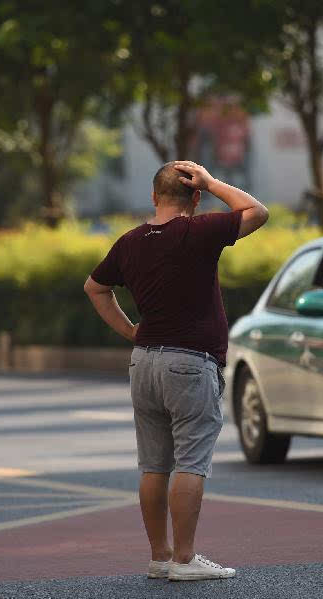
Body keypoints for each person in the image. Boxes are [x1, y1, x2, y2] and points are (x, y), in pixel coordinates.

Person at [84, 161, 268, 581]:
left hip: (144, 362)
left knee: (153, 466)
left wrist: (131, 331)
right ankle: (184, 559)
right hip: (189, 362)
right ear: (196, 196)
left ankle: (159, 555)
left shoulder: (130, 242)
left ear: (153, 196)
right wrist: (213, 180)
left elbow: (94, 287)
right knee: (189, 463)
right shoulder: (197, 231)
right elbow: (256, 212)